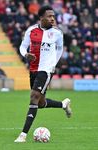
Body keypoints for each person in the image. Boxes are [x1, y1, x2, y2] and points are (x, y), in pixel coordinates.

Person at [15, 6, 72, 142]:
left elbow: (59, 49)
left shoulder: (57, 33)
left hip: (46, 70)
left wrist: (53, 64)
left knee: (33, 97)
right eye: (49, 16)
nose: (52, 18)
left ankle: (23, 135)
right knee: (40, 103)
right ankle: (63, 105)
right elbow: (23, 47)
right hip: (33, 69)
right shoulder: (31, 30)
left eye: (53, 16)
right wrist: (26, 55)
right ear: (41, 17)